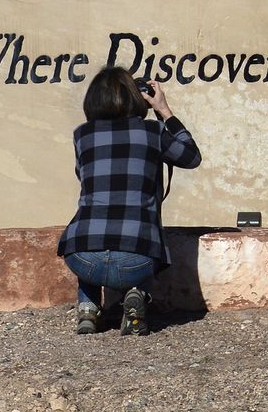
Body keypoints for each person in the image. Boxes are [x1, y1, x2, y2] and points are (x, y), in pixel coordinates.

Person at [56, 66, 201, 335]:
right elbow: (191, 157)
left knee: (89, 228)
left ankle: (87, 308)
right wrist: (164, 110)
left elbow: (83, 176)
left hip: (81, 258)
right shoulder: (153, 132)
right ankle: (136, 293)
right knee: (144, 239)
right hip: (136, 261)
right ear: (136, 97)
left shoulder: (82, 135)